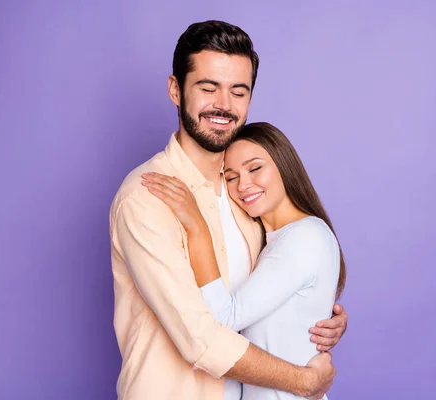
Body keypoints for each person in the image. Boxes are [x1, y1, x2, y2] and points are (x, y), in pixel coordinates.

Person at [109, 20, 348, 400]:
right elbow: (198, 338)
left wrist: (314, 315)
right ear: (176, 90)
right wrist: (305, 381)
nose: (224, 105)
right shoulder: (147, 197)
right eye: (208, 88)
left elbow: (263, 292)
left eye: (238, 91)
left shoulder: (246, 193)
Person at [142, 121, 347, 399]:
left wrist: (197, 228)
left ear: (284, 165)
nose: (243, 185)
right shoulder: (270, 239)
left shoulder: (304, 237)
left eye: (255, 168)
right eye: (231, 177)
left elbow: (223, 322)